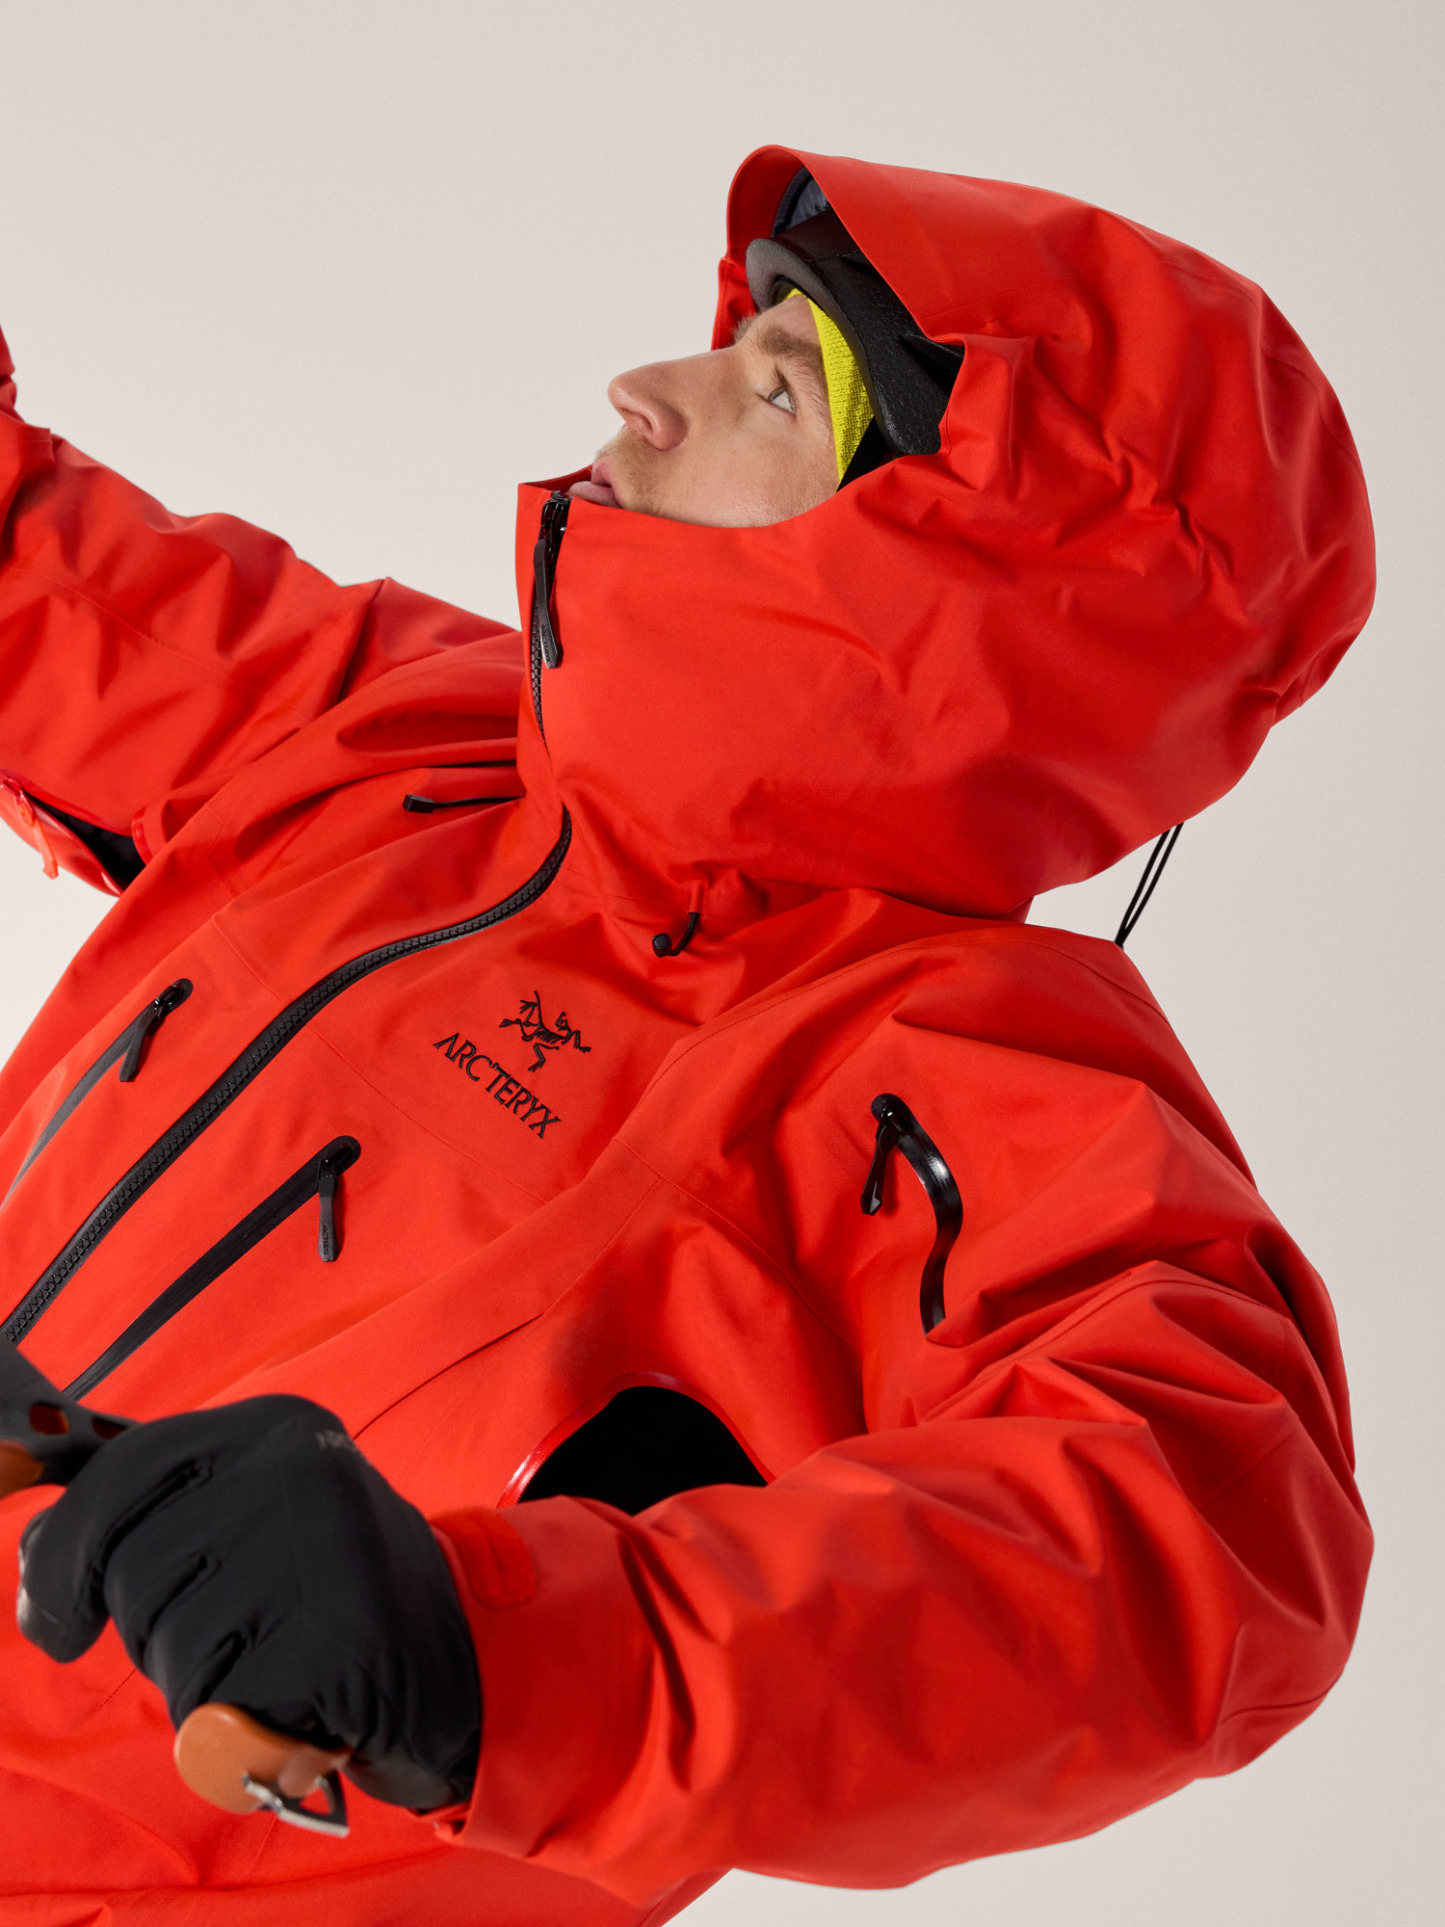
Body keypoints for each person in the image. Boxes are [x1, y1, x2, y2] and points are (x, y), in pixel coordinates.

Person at [0, 144, 1373, 1927]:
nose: (644, 390)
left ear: (963, 568)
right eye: (731, 344)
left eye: (775, 388)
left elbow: (1205, 1526)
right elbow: (44, 585)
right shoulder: (423, 742)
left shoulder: (963, 1064)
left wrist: (502, 1652)